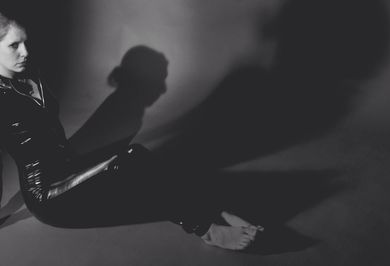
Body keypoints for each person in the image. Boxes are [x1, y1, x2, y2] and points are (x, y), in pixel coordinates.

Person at [0, 9, 262, 250]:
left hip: (71, 166)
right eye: (14, 45)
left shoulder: (27, 71)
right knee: (130, 160)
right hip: (49, 195)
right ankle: (206, 229)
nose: (25, 51)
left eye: (25, 42)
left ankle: (213, 209)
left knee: (145, 158)